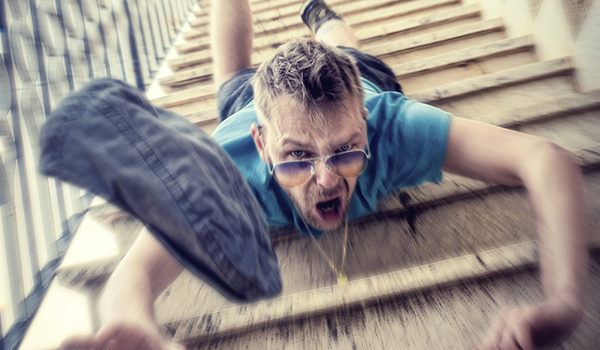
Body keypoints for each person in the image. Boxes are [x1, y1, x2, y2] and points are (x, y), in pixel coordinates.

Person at [50, 0, 588, 349]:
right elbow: (134, 273)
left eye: (346, 151)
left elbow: (546, 159)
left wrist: (564, 303)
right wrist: (135, 325)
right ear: (262, 146)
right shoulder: (224, 171)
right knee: (230, 78)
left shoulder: (392, 126)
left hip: (362, 80)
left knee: (345, 47)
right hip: (250, 103)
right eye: (297, 158)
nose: (326, 180)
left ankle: (318, 13)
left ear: (366, 127)